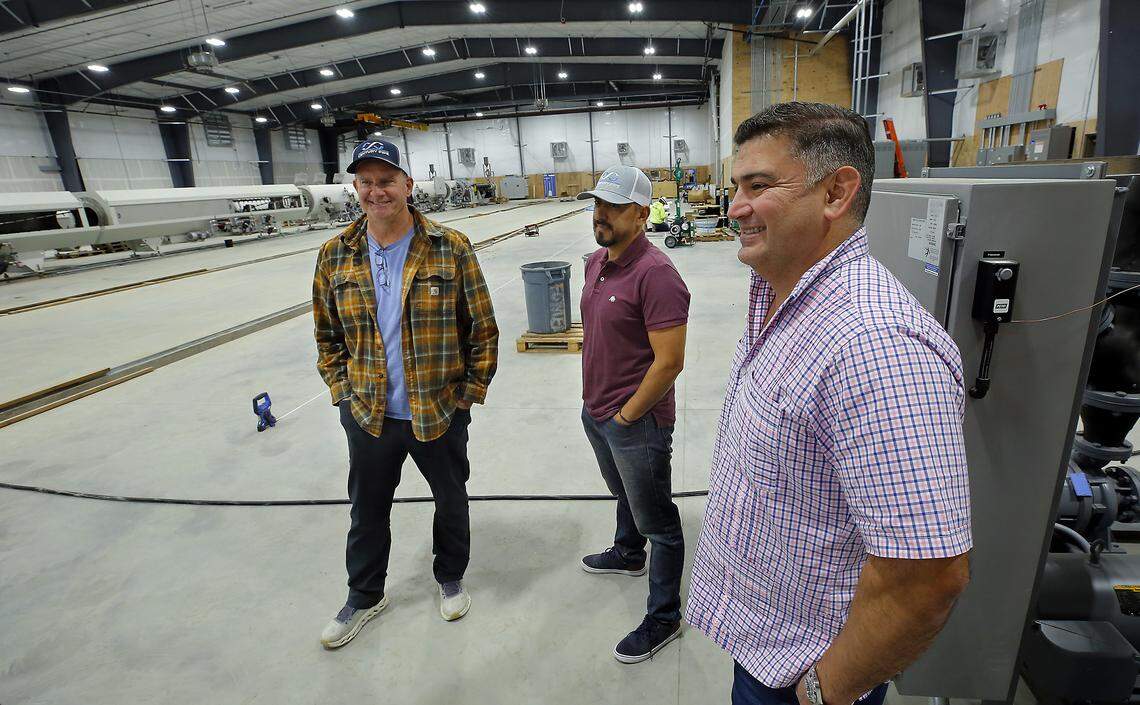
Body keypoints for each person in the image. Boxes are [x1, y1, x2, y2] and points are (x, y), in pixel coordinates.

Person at [685, 102, 972, 705]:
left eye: (758, 186)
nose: (734, 207)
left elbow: (925, 577)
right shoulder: (780, 293)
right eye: (737, 186)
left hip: (804, 672)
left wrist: (824, 691)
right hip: (765, 641)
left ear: (836, 192)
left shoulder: (876, 346)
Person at [313, 139, 499, 649]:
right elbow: (327, 335)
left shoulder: (449, 246)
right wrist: (341, 393)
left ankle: (450, 576)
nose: (377, 191)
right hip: (369, 412)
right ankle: (365, 595)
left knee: (450, 498)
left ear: (407, 185)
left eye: (387, 180)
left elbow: (481, 327)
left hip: (438, 408)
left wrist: (469, 393)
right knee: (367, 510)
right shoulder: (335, 255)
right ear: (355, 188)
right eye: (367, 182)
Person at [575, 165, 691, 663]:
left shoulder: (658, 276)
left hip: (635, 420)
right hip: (597, 410)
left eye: (614, 207)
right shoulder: (596, 261)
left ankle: (665, 617)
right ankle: (627, 552)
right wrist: (598, 412)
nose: (601, 214)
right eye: (597, 204)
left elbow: (669, 363)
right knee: (622, 491)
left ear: (642, 214)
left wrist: (625, 418)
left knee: (660, 522)